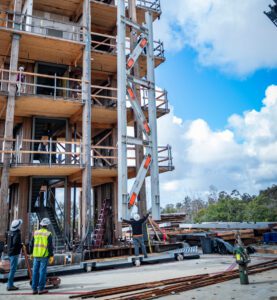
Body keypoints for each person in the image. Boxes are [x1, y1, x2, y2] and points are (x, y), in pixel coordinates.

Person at [30, 218, 54, 295]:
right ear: (47, 225)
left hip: (36, 255)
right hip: (44, 255)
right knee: (42, 272)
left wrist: (31, 253)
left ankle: (34, 289)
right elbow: (50, 246)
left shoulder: (35, 233)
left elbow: (31, 244)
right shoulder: (48, 234)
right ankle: (41, 289)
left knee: (35, 272)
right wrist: (51, 256)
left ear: (41, 224)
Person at [6, 219, 23, 291]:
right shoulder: (17, 233)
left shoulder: (10, 232)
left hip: (10, 252)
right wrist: (21, 245)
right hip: (14, 253)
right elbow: (16, 243)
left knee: (12, 269)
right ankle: (10, 285)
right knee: (13, 270)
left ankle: (10, 284)